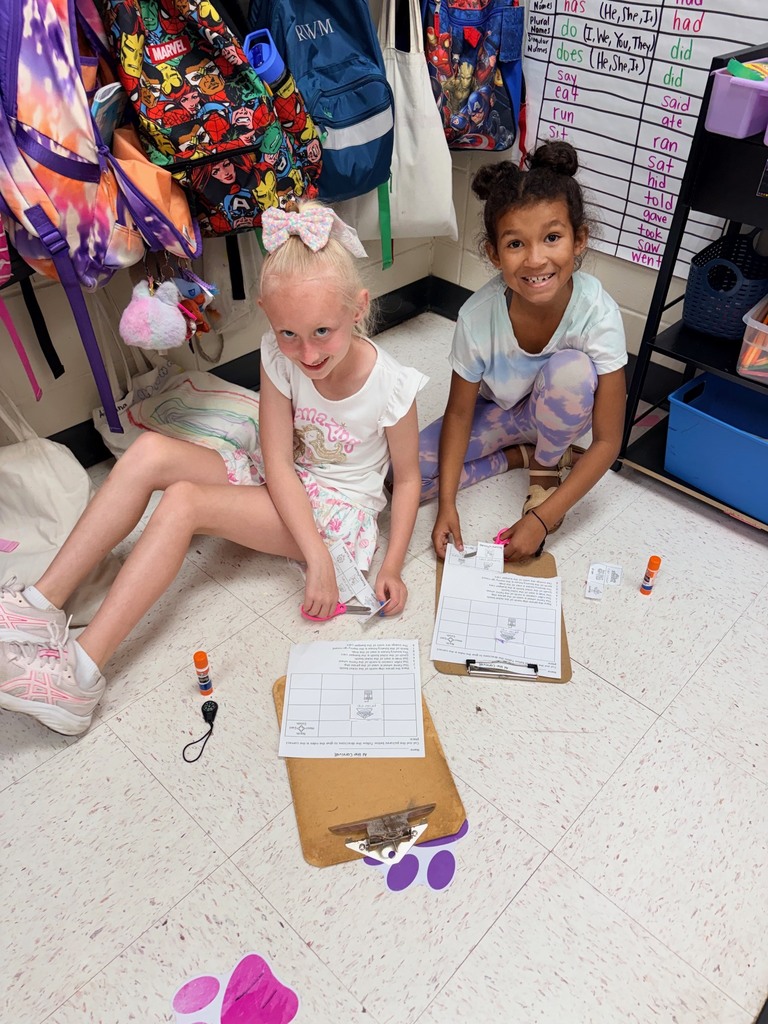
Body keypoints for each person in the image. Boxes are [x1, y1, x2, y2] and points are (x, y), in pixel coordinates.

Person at [0, 202, 427, 737]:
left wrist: (385, 566)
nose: (306, 352)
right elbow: (275, 460)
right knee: (152, 451)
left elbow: (407, 479)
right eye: (289, 334)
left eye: (322, 332)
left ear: (358, 308)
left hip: (338, 516)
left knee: (183, 502)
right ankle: (38, 606)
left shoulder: (393, 386)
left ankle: (78, 676)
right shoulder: (281, 355)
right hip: (286, 478)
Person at [421, 140, 627, 563]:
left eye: (552, 237)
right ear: (495, 254)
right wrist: (446, 505)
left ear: (579, 240)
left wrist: (544, 518)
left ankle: (547, 463)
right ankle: (517, 456)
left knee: (572, 370)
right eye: (516, 244)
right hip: (504, 413)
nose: (535, 260)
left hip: (556, 414)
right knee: (404, 473)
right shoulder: (477, 316)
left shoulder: (597, 311)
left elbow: (608, 441)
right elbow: (460, 413)